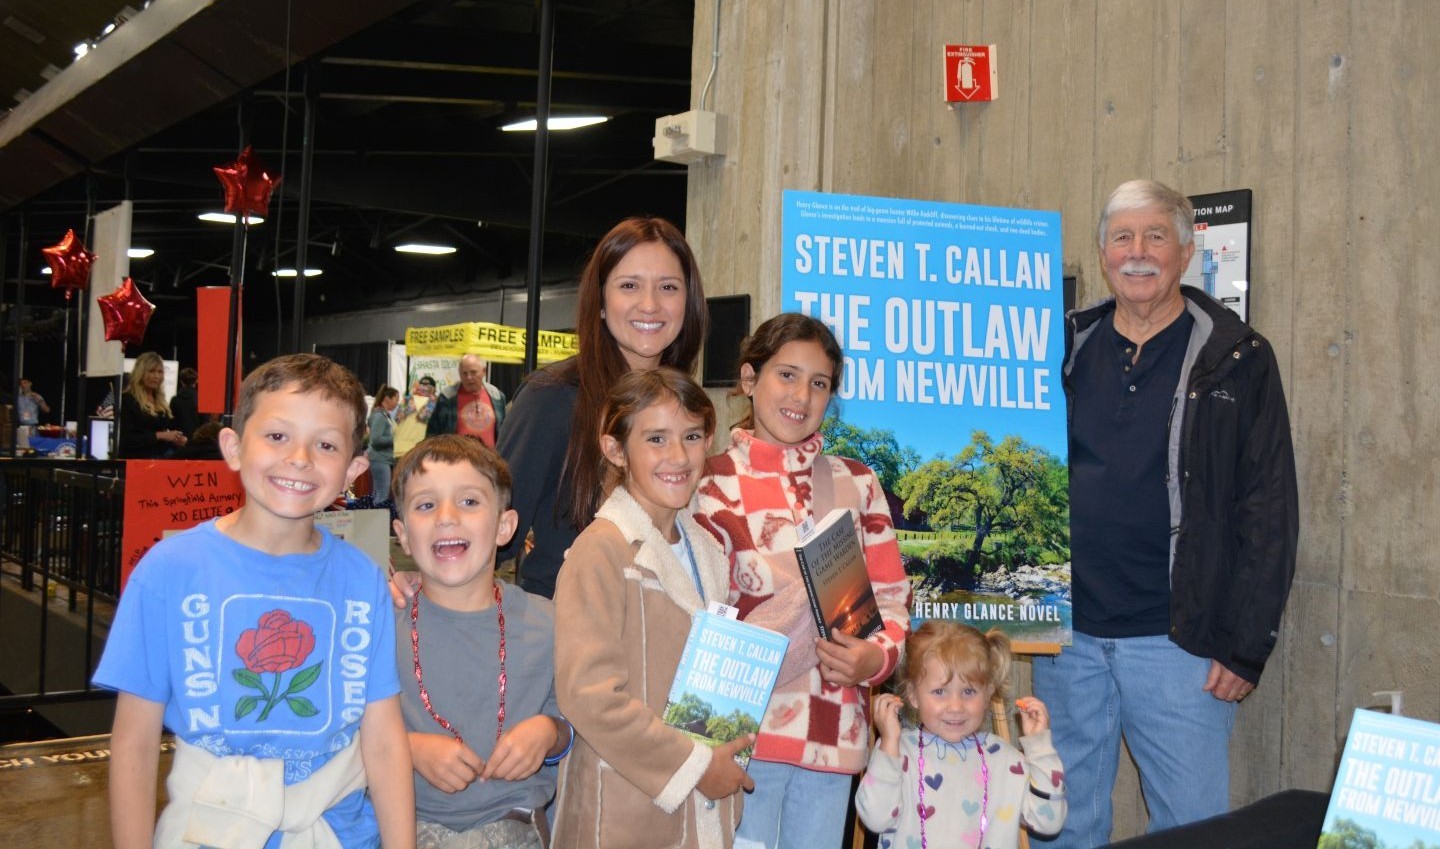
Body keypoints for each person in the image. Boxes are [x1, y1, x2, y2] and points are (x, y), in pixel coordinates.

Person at [1030, 179, 1299, 847]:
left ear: (1185, 251)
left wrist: (1246, 643)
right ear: (1102, 254)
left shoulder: (1236, 357)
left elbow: (1269, 509)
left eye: (1156, 236)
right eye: (1122, 237)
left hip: (1180, 643)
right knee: (1062, 822)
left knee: (1192, 829)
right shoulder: (1060, 347)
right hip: (1068, 641)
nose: (1138, 252)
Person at [93, 353, 415, 849]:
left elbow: (384, 739)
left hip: (343, 833)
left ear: (353, 469)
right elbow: (134, 743)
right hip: (207, 831)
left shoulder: (362, 579)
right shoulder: (170, 570)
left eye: (325, 444)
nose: (300, 459)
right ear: (234, 446)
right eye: (278, 436)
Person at [692, 313, 911, 849]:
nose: (802, 395)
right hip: (739, 739)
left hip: (834, 738)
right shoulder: (708, 480)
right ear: (749, 379)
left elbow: (892, 598)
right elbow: (695, 612)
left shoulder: (857, 482)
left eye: (819, 383)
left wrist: (874, 658)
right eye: (786, 374)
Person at [551, 368, 751, 849]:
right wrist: (697, 766)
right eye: (656, 438)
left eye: (692, 436)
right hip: (623, 811)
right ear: (616, 450)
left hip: (702, 806)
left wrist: (724, 757)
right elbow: (589, 696)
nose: (678, 456)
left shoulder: (707, 549)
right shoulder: (599, 552)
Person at [498, 216, 708, 599]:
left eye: (668, 287)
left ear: (688, 301)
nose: (650, 305)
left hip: (665, 636)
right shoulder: (553, 397)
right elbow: (493, 535)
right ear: (600, 301)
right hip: (567, 636)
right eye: (629, 286)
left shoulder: (685, 404)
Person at [391, 435, 573, 849]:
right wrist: (406, 748)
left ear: (505, 526)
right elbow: (345, 731)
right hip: (403, 827)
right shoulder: (381, 624)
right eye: (425, 505)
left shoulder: (548, 623)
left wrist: (549, 732)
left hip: (518, 829)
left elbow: (574, 722)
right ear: (402, 535)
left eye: (469, 502)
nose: (447, 517)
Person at [855, 621, 1067, 849]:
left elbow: (1049, 822)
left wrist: (1040, 747)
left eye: (968, 691)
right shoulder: (896, 753)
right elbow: (876, 819)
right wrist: (888, 743)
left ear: (988, 694)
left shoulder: (1007, 761)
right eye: (939, 692)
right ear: (914, 695)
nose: (955, 706)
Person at [426, 355, 507, 447]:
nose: (469, 377)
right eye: (464, 373)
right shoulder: (447, 398)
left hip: (491, 459)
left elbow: (505, 433)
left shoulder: (497, 396)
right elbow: (432, 435)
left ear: (484, 371)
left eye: (473, 372)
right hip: (456, 458)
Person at [117, 351, 187, 458]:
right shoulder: (128, 400)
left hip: (159, 462)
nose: (157, 376)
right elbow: (127, 439)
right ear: (140, 373)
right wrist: (160, 436)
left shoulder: (160, 401)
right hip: (135, 463)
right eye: (152, 371)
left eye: (160, 372)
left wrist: (176, 439)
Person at [367, 385, 401, 505]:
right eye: (396, 399)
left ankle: (375, 521)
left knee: (379, 493)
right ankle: (378, 523)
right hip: (380, 459)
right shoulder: (380, 416)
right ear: (387, 398)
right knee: (382, 494)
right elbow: (376, 439)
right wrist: (396, 439)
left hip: (383, 459)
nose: (397, 403)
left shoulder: (385, 416)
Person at [170, 366, 200, 438]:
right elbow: (206, 423)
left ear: (181, 381)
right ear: (196, 381)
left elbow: (171, 423)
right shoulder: (201, 400)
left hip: (178, 440)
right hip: (197, 440)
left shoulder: (174, 400)